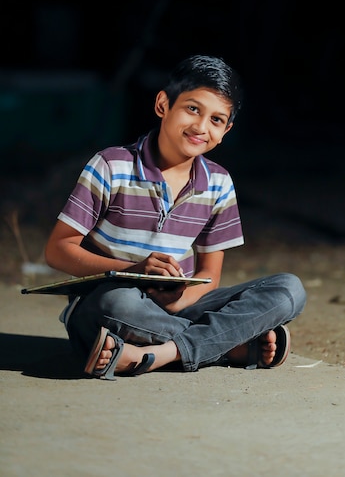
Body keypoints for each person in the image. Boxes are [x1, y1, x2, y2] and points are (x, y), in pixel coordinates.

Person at [44, 54, 306, 380]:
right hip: (109, 306)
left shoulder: (219, 183)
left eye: (216, 119)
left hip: (177, 306)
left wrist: (178, 301)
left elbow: (210, 275)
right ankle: (232, 347)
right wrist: (132, 271)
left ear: (226, 130)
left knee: (289, 289)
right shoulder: (112, 166)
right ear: (162, 105)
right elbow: (57, 249)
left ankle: (151, 355)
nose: (201, 126)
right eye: (192, 109)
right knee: (116, 304)